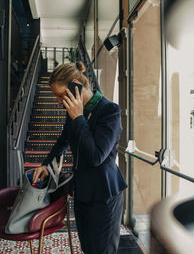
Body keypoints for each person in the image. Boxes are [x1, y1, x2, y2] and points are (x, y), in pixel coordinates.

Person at [32, 61, 128, 254]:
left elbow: (95, 157)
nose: (59, 101)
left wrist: (78, 118)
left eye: (61, 95)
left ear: (76, 84)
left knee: (102, 251)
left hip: (104, 195)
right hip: (82, 193)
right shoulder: (74, 111)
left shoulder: (110, 111)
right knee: (87, 248)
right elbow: (64, 140)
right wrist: (45, 164)